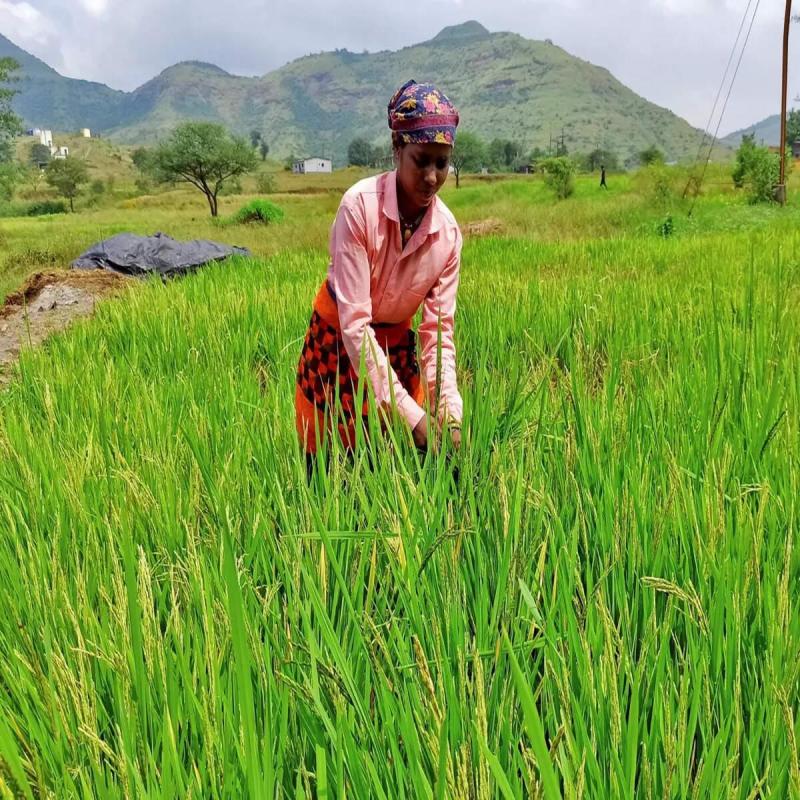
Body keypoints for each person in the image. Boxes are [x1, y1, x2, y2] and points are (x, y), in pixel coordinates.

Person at [295, 79, 464, 462]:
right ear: (397, 149)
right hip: (336, 343)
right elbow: (355, 325)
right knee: (325, 462)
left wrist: (448, 411)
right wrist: (413, 416)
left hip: (394, 348)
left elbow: (438, 334)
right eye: (421, 161)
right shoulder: (359, 208)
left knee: (390, 462)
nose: (432, 177)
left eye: (442, 163)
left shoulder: (448, 235)